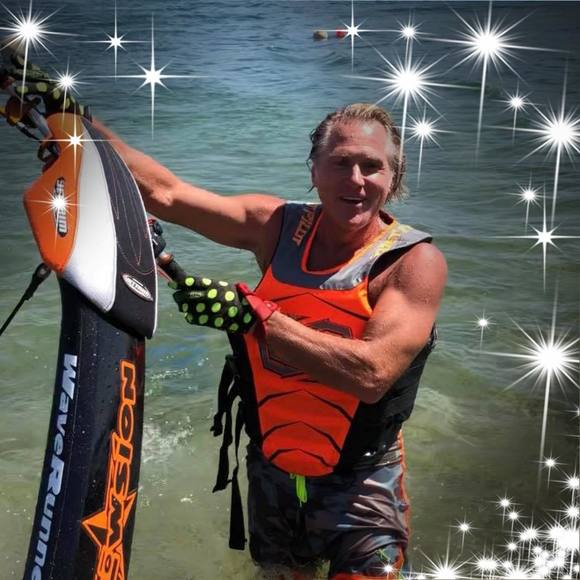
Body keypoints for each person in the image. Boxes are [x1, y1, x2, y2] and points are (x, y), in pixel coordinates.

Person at [3, 55, 447, 577]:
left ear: (393, 177)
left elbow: (372, 375)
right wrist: (76, 122)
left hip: (362, 487)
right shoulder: (276, 227)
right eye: (340, 162)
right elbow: (165, 193)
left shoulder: (412, 263)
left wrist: (252, 316)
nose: (356, 179)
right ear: (313, 170)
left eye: (372, 166)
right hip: (272, 473)